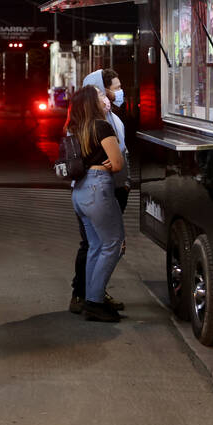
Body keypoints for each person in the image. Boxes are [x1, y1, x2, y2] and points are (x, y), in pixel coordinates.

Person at [69, 69, 130, 314]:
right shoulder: (103, 127)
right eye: (107, 92)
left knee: (96, 245)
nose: (111, 96)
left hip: (82, 191)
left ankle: (91, 297)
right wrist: (113, 162)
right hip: (100, 188)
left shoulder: (78, 126)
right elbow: (117, 163)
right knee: (112, 244)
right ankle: (92, 299)